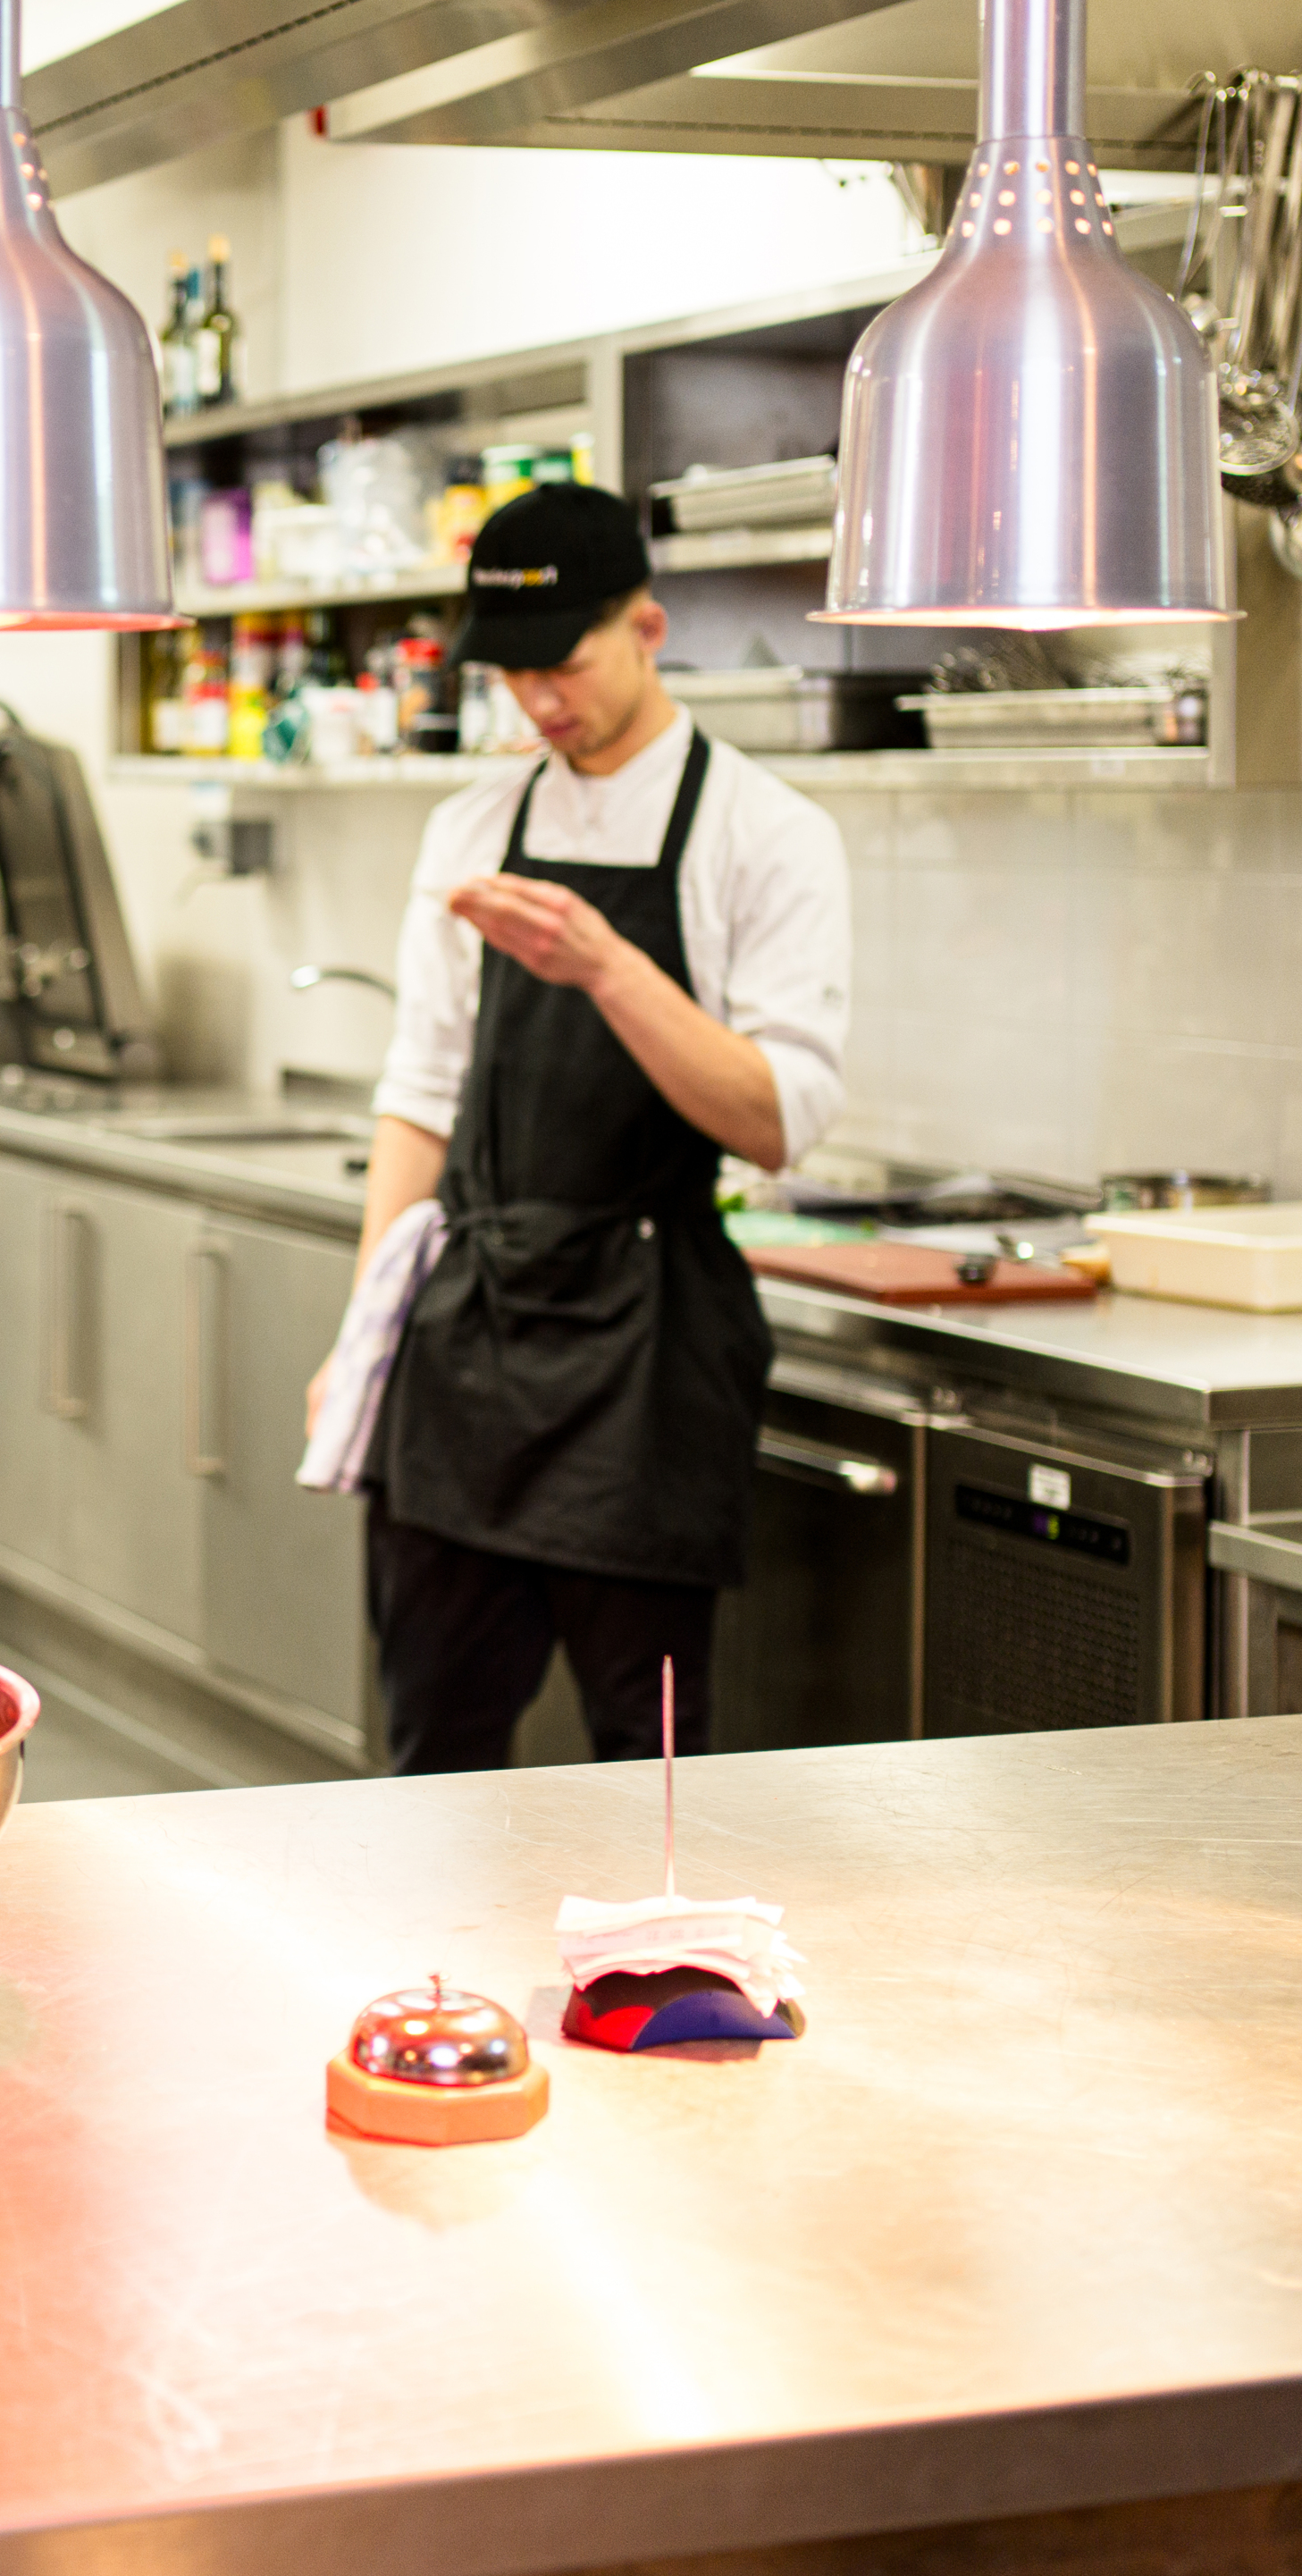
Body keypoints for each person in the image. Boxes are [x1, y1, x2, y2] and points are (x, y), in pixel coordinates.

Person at [327, 483, 852, 1774]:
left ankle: (664, 1986)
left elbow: (781, 1122)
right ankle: (437, 1985)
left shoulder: (766, 834)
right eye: (513, 675)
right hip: (464, 1350)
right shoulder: (474, 826)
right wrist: (360, 1343)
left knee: (649, 1769)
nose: (540, 703)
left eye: (564, 663)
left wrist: (611, 966)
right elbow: (421, 1092)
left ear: (649, 627)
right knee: (429, 1755)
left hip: (651, 1360)